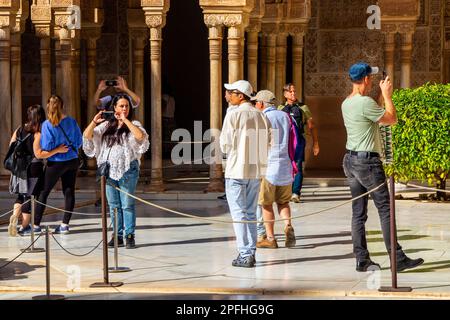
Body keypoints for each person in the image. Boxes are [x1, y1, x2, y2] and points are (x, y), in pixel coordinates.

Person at [342, 62, 424, 272]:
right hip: (367, 163)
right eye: (371, 77)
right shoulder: (364, 103)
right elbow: (391, 119)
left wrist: (381, 95)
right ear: (367, 79)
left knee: (358, 213)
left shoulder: (347, 103)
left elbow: (374, 115)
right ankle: (397, 258)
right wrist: (387, 95)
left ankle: (362, 259)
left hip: (350, 161)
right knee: (386, 209)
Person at [83, 94, 149, 249]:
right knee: (113, 204)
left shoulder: (134, 123)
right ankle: (117, 235)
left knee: (127, 204)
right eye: (121, 106)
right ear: (114, 108)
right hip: (108, 171)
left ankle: (130, 235)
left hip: (128, 169)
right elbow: (87, 136)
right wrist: (93, 122)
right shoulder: (106, 126)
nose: (124, 109)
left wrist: (124, 120)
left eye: (126, 106)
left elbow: (140, 136)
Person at [219, 80, 271, 268]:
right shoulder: (262, 115)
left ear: (240, 96)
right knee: (250, 213)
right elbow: (269, 142)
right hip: (255, 171)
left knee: (239, 213)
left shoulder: (233, 115)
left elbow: (224, 144)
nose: (227, 95)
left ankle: (245, 253)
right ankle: (250, 251)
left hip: (236, 171)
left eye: (230, 92)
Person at [7, 105, 69, 236]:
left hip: (19, 167)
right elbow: (39, 154)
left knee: (20, 195)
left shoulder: (19, 129)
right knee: (30, 197)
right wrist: (57, 150)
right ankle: (24, 227)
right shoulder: (38, 133)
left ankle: (14, 217)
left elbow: (11, 145)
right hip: (33, 168)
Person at [252, 90, 296, 249]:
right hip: (285, 165)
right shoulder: (284, 115)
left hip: (269, 166)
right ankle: (288, 225)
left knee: (266, 204)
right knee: (283, 201)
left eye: (256, 102)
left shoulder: (263, 117)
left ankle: (270, 238)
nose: (255, 105)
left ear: (262, 103)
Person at [33, 95, 83, 234]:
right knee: (69, 192)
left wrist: (57, 149)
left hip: (55, 163)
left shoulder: (47, 125)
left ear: (48, 106)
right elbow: (79, 141)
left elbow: (47, 146)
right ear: (62, 105)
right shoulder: (72, 121)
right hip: (72, 161)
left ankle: (36, 225)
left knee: (43, 192)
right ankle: (65, 225)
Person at [279, 83, 320, 203]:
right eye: (290, 92)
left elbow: (312, 126)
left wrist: (316, 143)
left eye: (294, 91)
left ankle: (296, 193)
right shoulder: (281, 108)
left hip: (298, 142)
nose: (293, 94)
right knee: (285, 166)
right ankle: (286, 192)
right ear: (285, 93)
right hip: (285, 142)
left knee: (298, 166)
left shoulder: (303, 107)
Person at [218, 89, 239, 201]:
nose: (225, 96)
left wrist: (225, 147)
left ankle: (230, 193)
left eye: (226, 94)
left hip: (233, 150)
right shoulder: (231, 109)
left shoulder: (234, 111)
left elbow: (228, 133)